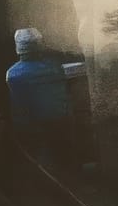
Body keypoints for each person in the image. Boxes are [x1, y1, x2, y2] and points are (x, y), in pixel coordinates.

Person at [5, 27, 72, 164]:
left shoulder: (12, 74)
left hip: (27, 130)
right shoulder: (54, 68)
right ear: (40, 46)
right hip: (60, 126)